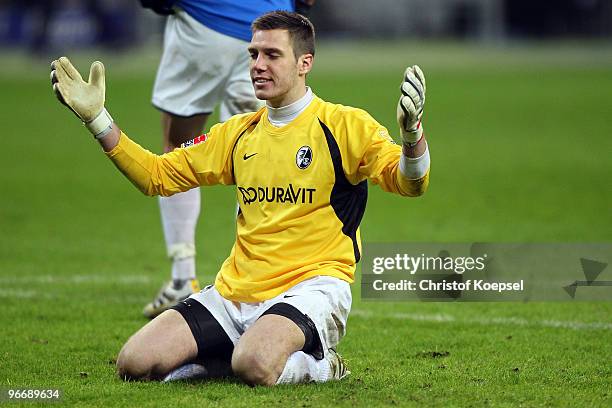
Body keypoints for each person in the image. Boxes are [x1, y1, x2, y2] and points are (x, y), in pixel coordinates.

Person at [50, 11, 430, 386]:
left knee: (254, 365)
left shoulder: (345, 126)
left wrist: (411, 137)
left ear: (304, 63)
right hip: (235, 293)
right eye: (253, 54)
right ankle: (229, 353)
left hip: (312, 288)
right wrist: (97, 118)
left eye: (272, 55)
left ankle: (324, 366)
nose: (258, 66)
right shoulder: (237, 133)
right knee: (135, 363)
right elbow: (157, 176)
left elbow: (409, 182)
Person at [140, 0, 307, 319]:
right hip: (269, 33)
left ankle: (182, 275)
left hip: (204, 23)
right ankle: (264, 280)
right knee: (260, 153)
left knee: (180, 147)